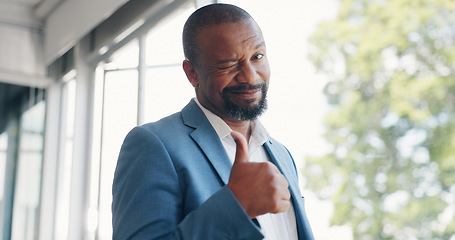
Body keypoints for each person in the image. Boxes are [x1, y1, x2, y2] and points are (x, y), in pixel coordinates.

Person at [112, 3, 314, 240]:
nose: (250, 76)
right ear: (192, 73)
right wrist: (236, 205)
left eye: (257, 56)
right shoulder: (153, 145)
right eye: (229, 64)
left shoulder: (282, 155)